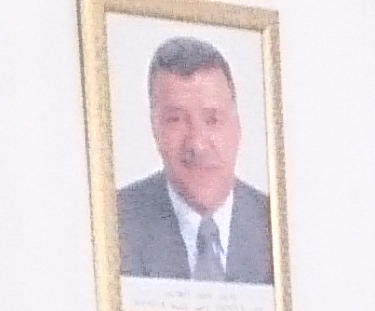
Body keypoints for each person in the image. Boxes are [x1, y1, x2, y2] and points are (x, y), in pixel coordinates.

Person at [114, 37, 273, 285]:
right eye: (175, 120)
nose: (197, 144)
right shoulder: (113, 223)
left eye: (213, 119)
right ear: (154, 128)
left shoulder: (277, 226)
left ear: (238, 127)